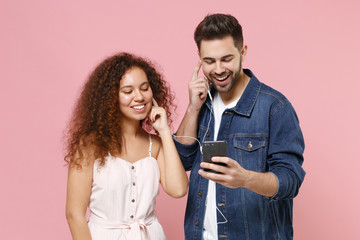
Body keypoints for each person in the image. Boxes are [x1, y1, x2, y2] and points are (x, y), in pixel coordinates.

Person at [174, 13, 305, 239]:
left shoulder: (275, 107)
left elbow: (290, 181)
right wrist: (193, 108)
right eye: (209, 61)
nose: (218, 69)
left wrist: (245, 179)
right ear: (199, 58)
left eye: (227, 59)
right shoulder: (202, 104)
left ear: (242, 52)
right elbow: (181, 160)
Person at [65, 52, 188, 240]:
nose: (139, 97)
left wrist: (164, 131)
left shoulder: (155, 145)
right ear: (110, 98)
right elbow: (74, 214)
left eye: (145, 88)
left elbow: (178, 189)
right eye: (128, 91)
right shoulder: (90, 145)